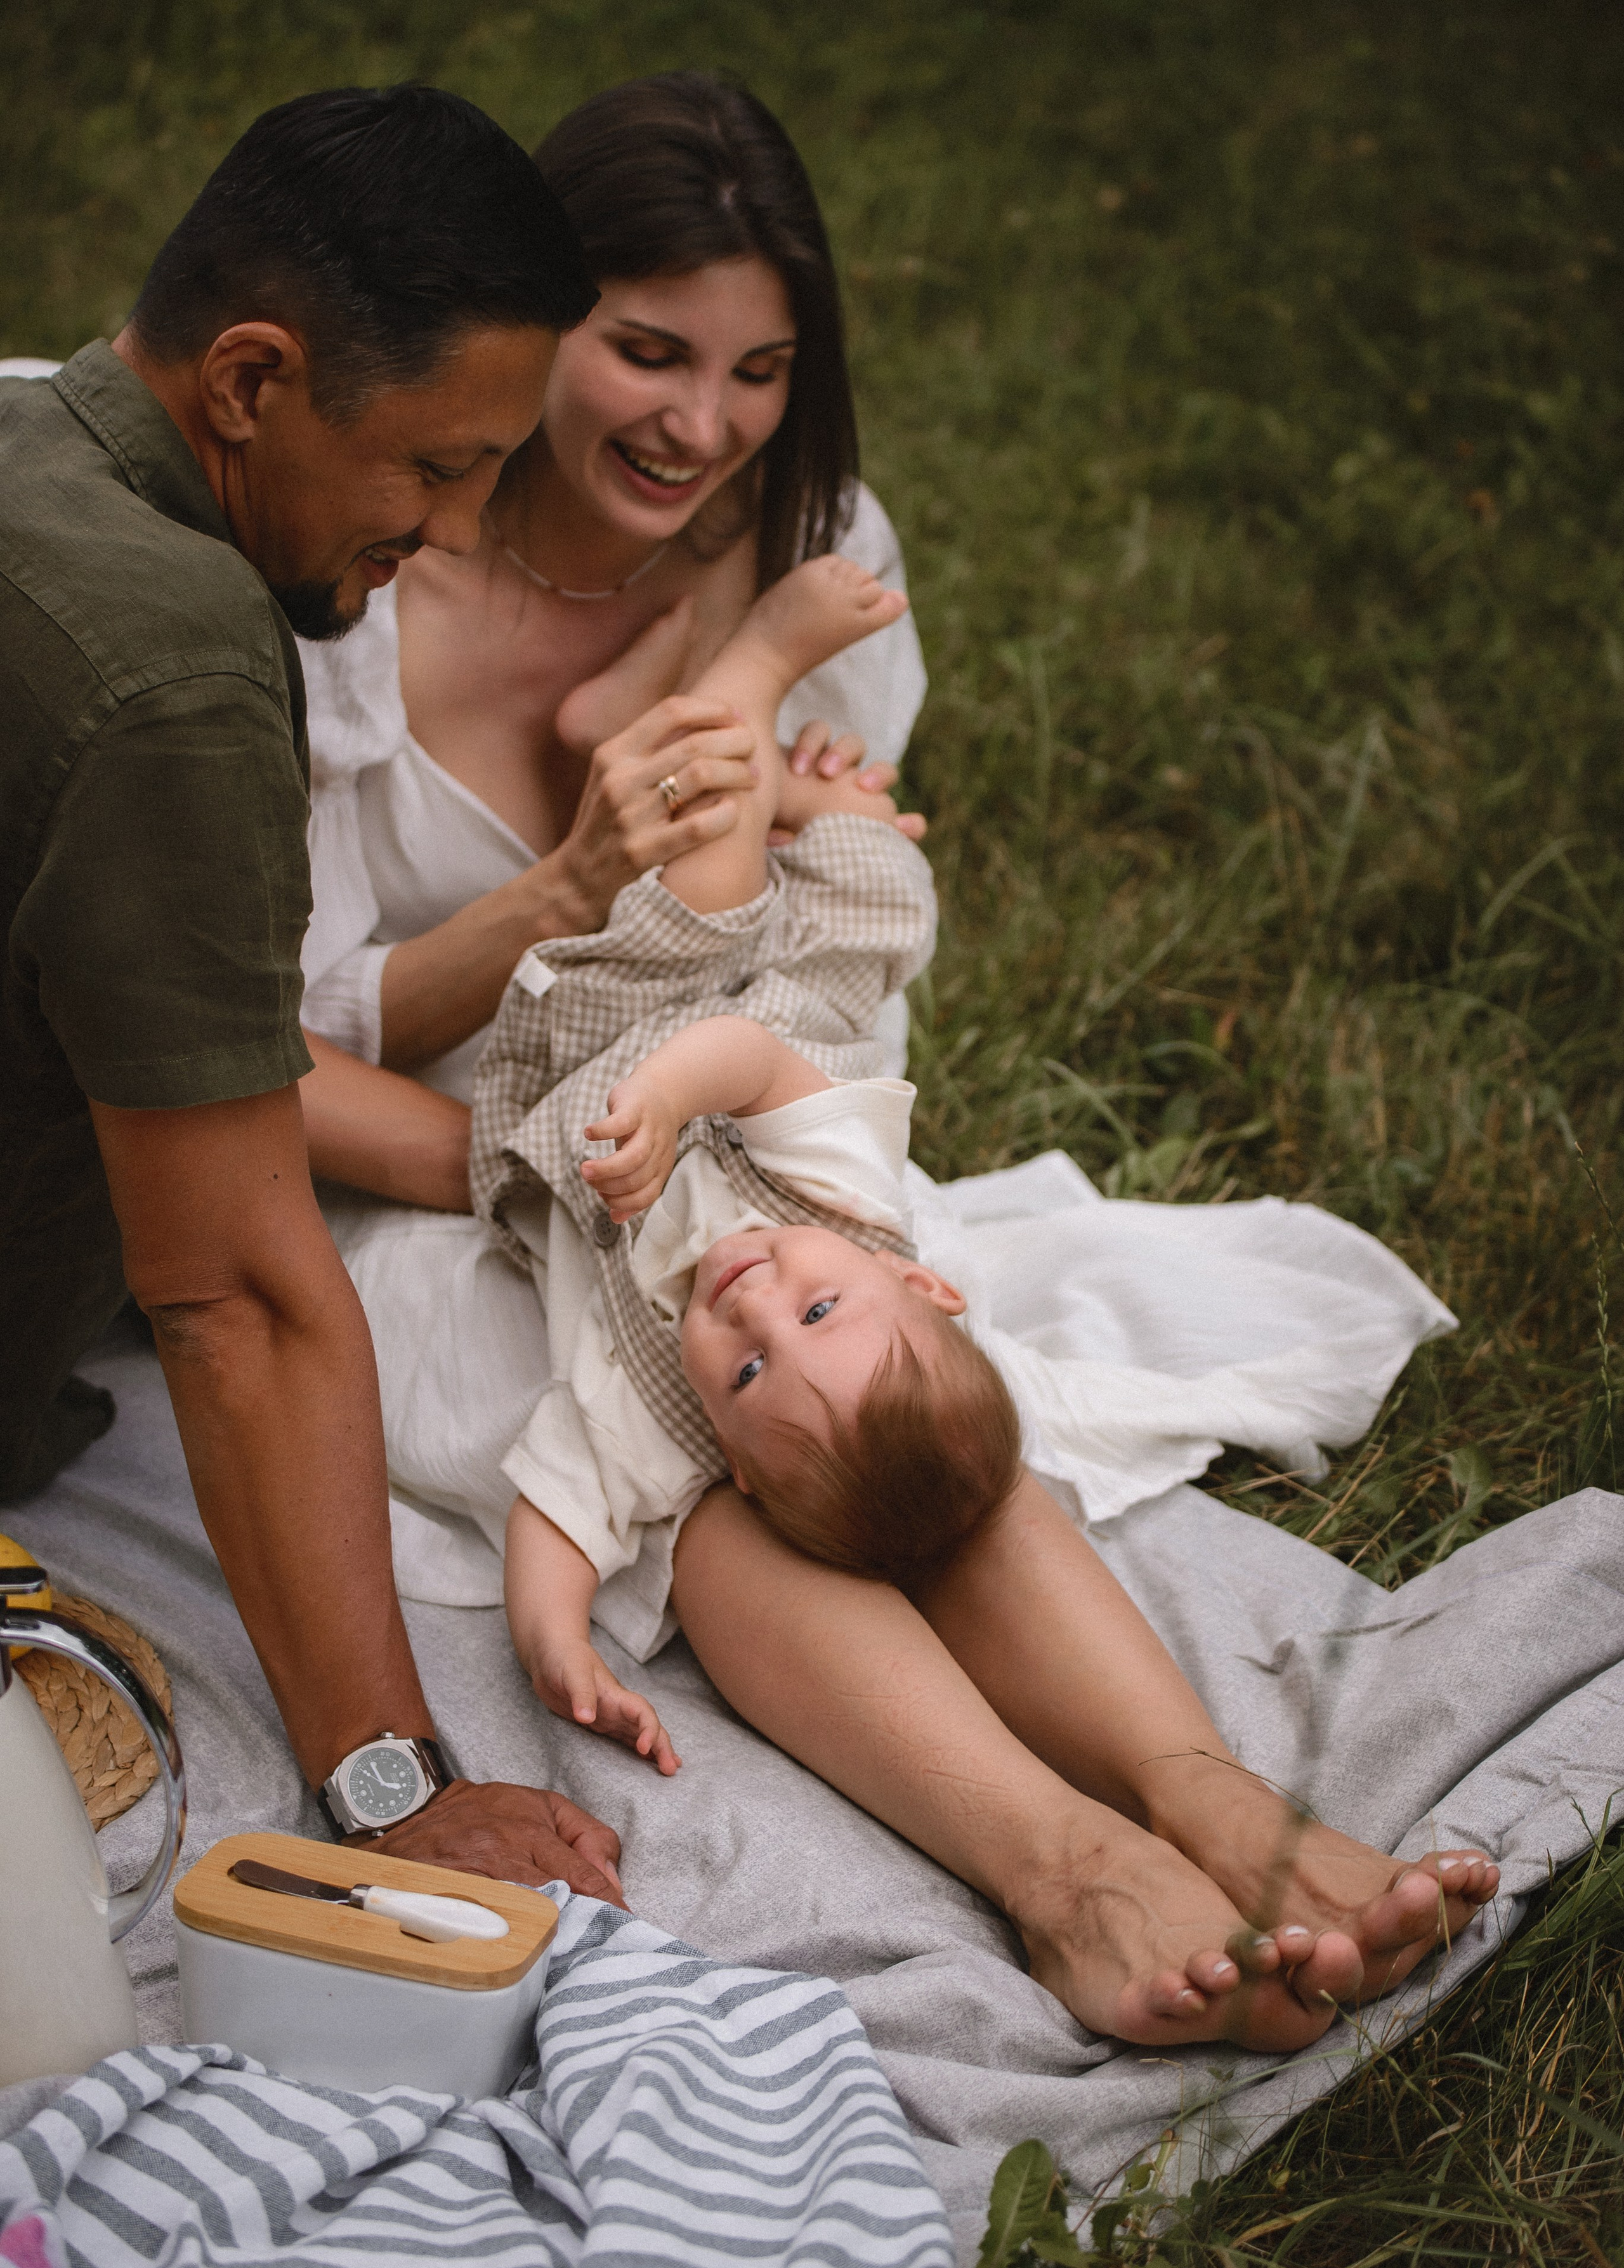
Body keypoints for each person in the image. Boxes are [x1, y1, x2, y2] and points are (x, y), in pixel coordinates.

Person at [473, 552, 1501, 2054]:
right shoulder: (692, 1365)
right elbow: (574, 1484)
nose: (754, 1302)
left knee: (946, 1472)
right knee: (710, 1513)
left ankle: (1210, 1800)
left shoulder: (830, 1199)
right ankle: (1074, 1873)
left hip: (704, 1044)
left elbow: (751, 1052)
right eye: (754, 1360)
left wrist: (778, 784)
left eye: (805, 1320)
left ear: (915, 1273)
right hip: (541, 1106)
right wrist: (553, 1628)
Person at [0, 85, 634, 1899]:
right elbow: (238, 1291)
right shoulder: (182, 671)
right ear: (253, 378)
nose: (450, 530)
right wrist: (391, 1783)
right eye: (434, 467)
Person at [296, 71, 928, 1223]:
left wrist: (845, 830)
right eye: (647, 354)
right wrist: (571, 893)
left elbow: (811, 967)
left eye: (758, 372)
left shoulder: (816, 549)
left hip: (719, 1124)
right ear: (529, 317)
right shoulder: (359, 592)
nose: (700, 430)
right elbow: (253, 1050)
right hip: (412, 1163)